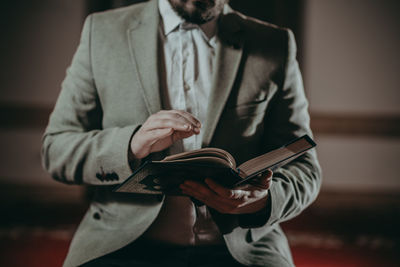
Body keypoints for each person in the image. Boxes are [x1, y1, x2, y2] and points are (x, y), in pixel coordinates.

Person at [41, 0, 321, 266]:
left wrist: (260, 202)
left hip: (242, 249)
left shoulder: (274, 43)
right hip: (121, 245)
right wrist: (131, 145)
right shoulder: (102, 32)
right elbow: (57, 149)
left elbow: (304, 166)